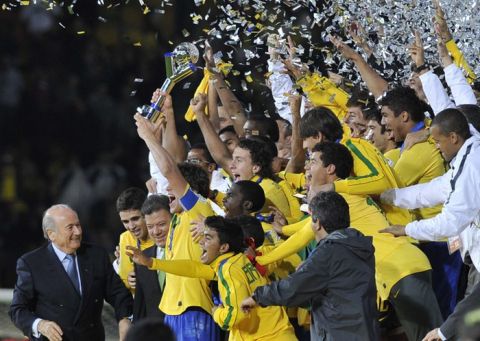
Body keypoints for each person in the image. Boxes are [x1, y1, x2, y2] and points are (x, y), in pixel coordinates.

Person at [379, 108, 480, 340]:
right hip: (472, 254)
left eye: (437, 141)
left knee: (468, 318)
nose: (435, 146)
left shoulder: (471, 165)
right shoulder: (468, 153)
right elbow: (435, 189)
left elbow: (449, 223)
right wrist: (390, 196)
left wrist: (407, 229)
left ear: (453, 137)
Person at [127, 216, 297, 340]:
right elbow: (194, 268)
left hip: (267, 337)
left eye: (207, 238)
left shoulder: (229, 271)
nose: (201, 242)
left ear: (223, 247)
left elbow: (236, 315)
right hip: (279, 331)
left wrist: (217, 313)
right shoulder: (240, 259)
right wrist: (151, 262)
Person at [134, 96, 220, 341]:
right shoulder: (177, 217)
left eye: (175, 187)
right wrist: (162, 127)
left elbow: (170, 171)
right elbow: (166, 167)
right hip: (172, 311)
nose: (168, 189)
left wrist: (148, 137)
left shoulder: (199, 208)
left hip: (194, 312)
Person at [241, 191, 380, 341]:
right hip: (364, 331)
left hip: (340, 333)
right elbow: (332, 291)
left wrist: (258, 297)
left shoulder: (329, 252)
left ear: (317, 223)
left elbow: (294, 288)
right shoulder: (357, 244)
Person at [9, 204, 133, 341]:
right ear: (51, 234)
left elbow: (118, 293)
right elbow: (17, 310)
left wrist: (125, 319)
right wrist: (40, 325)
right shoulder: (31, 264)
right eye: (70, 227)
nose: (78, 232)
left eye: (78, 225)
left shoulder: (96, 256)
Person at [133, 194, 172, 322]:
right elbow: (141, 307)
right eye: (150, 227)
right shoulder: (142, 259)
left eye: (161, 224)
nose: (156, 232)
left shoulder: (188, 253)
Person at [115, 187, 154, 291]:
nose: (131, 226)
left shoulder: (161, 235)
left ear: (146, 214)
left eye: (135, 219)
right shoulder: (125, 238)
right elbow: (123, 279)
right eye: (125, 222)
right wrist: (128, 280)